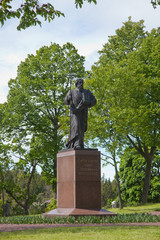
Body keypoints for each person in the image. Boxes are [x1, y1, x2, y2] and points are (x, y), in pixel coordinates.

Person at [64, 78, 97, 149]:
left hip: (84, 112)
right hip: (75, 112)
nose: (81, 84)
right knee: (76, 126)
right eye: (79, 83)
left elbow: (94, 101)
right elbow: (66, 101)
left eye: (81, 82)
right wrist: (68, 98)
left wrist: (89, 103)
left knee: (82, 127)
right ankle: (76, 144)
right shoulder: (71, 91)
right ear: (76, 84)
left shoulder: (87, 92)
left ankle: (80, 143)